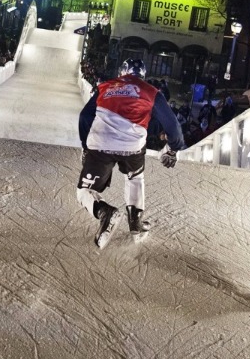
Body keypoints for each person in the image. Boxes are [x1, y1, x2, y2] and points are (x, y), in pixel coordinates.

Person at [76, 58, 186, 249]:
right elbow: (173, 125)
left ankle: (104, 212)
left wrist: (85, 146)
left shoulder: (105, 86)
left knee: (84, 191)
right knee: (135, 177)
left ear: (121, 72)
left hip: (100, 144)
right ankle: (135, 223)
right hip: (132, 146)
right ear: (143, 75)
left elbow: (84, 116)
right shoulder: (151, 92)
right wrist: (173, 148)